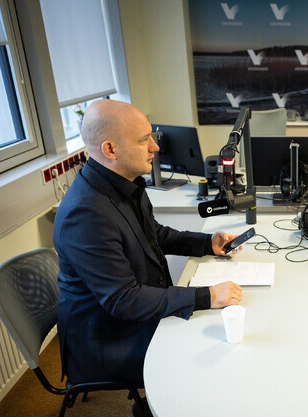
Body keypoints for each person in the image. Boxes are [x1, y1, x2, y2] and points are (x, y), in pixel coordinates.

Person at [53, 99, 243, 391]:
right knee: (206, 353)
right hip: (107, 339)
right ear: (110, 150)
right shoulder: (84, 215)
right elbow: (124, 299)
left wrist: (208, 243)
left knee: (213, 334)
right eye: (143, 140)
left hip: (129, 317)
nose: (155, 146)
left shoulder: (124, 183)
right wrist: (206, 296)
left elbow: (154, 234)